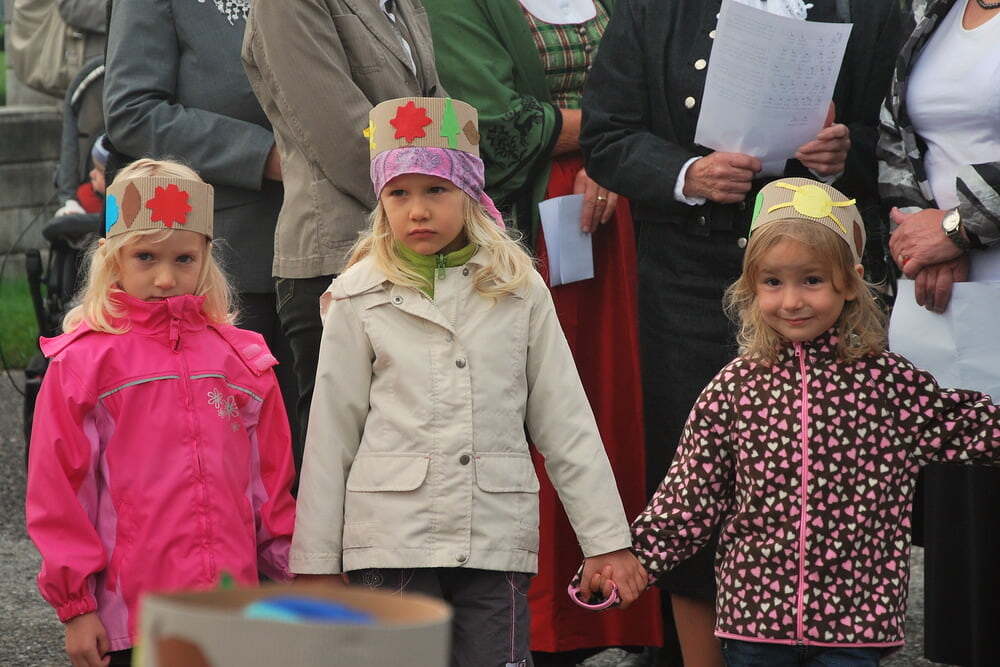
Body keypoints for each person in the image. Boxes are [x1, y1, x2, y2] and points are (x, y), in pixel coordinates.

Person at [579, 2, 902, 664]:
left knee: (829, 480)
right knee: (691, 474)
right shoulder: (656, 9)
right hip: (690, 279)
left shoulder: (868, 8)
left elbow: (901, 140)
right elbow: (608, 135)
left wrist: (843, 156)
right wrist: (685, 174)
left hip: (821, 285)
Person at [579, 177, 1000, 666]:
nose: (792, 300)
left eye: (812, 280)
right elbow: (688, 499)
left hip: (853, 626)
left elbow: (979, 428)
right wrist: (632, 561)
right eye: (773, 282)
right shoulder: (734, 389)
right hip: (755, 625)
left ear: (851, 281)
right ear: (751, 287)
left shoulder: (889, 385)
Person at [290, 97, 646, 667]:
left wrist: (606, 542)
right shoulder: (357, 296)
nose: (418, 210)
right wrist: (316, 565)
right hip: (391, 542)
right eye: (399, 194)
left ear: (470, 192)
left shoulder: (518, 288)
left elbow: (566, 421)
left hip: (493, 538)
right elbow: (331, 436)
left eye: (436, 190)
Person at [421, 1, 661, 658]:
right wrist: (616, 135)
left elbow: (661, 88)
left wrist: (614, 151)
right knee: (540, 411)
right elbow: (490, 125)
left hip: (615, 224)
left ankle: (614, 608)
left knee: (610, 409)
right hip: (529, 232)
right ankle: (542, 622)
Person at [25, 159, 296, 667]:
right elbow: (60, 494)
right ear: (113, 259)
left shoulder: (242, 361)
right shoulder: (83, 364)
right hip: (133, 618)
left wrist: (296, 574)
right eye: (145, 256)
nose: (166, 277)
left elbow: (270, 490)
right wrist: (76, 606)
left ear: (206, 257)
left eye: (184, 258)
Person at [103, 0, 300, 474]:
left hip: (333, 240)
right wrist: (264, 155)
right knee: (224, 458)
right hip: (225, 258)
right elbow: (133, 112)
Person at [242, 0, 443, 453]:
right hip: (340, 259)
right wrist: (438, 204)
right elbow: (344, 140)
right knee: (347, 464)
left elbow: (439, 118)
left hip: (418, 251)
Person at [878, 1, 1000, 663]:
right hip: (950, 306)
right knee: (967, 531)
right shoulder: (938, 7)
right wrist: (921, 232)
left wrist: (959, 228)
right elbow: (897, 134)